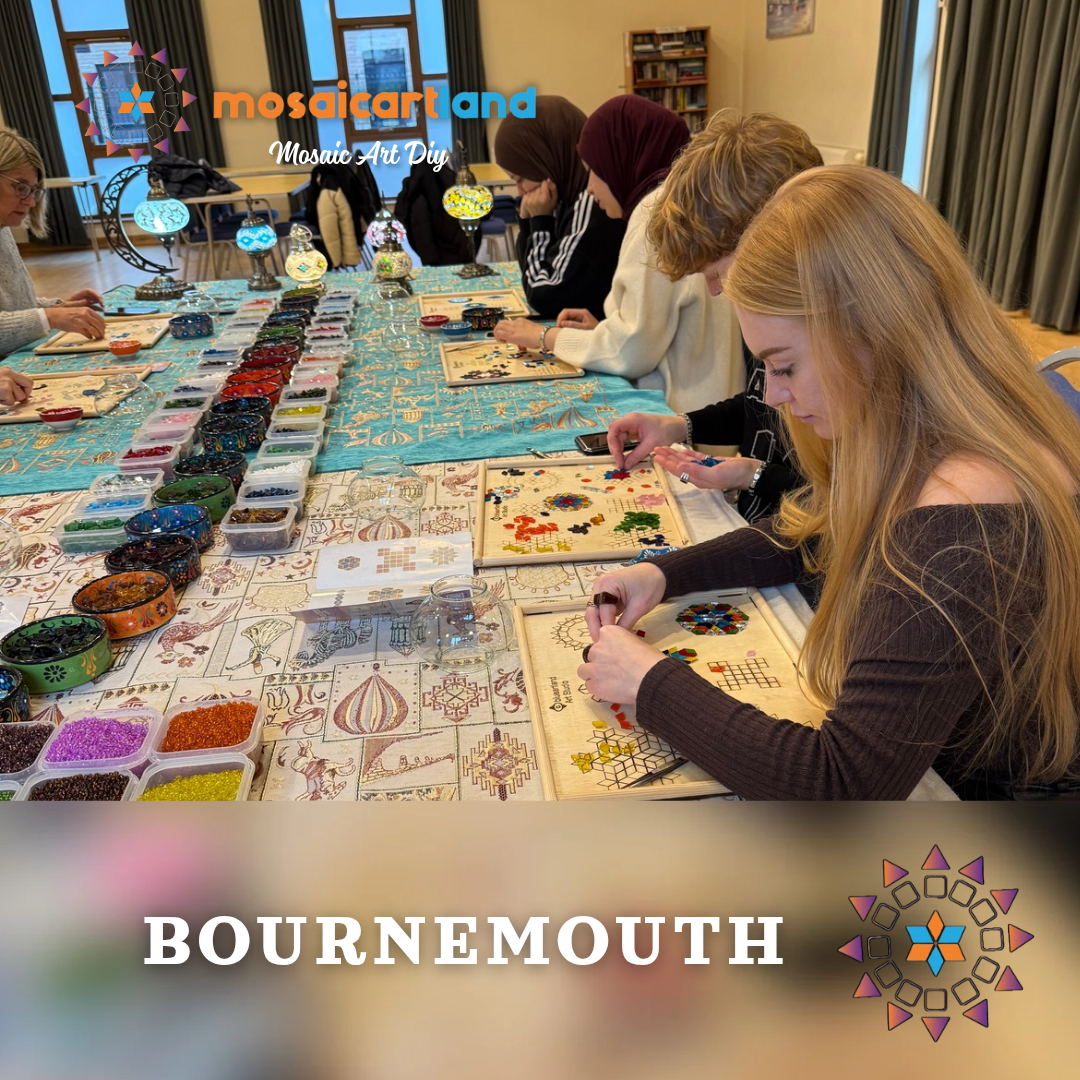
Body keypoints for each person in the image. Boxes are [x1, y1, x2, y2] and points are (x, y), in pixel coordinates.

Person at [579, 165, 1080, 800]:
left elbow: (841, 784)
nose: (774, 397)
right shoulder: (922, 427)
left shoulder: (964, 509)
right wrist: (663, 573)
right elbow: (814, 531)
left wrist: (650, 684)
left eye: (784, 367)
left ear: (873, 332)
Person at [602, 111, 823, 521]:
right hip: (760, 524)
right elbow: (760, 404)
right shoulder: (779, 322)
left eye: (719, 273)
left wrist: (754, 476)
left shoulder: (824, 336)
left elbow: (840, 503)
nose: (715, 291)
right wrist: (680, 426)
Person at [494, 98, 744, 413]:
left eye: (593, 171)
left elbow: (632, 352)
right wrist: (603, 329)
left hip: (683, 415)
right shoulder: (683, 199)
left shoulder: (655, 214)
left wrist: (545, 336)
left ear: (621, 159)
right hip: (711, 404)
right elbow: (651, 332)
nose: (588, 188)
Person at [493, 96, 624, 321]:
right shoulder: (566, 194)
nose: (521, 191)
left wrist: (539, 222)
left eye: (521, 178)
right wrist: (527, 221)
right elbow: (531, 278)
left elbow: (543, 295)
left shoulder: (593, 202)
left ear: (544, 160)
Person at [0, 128, 105, 366]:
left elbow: (11, 307)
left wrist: (58, 308)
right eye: (20, 187)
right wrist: (48, 317)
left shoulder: (3, 228)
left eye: (34, 190)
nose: (30, 201)